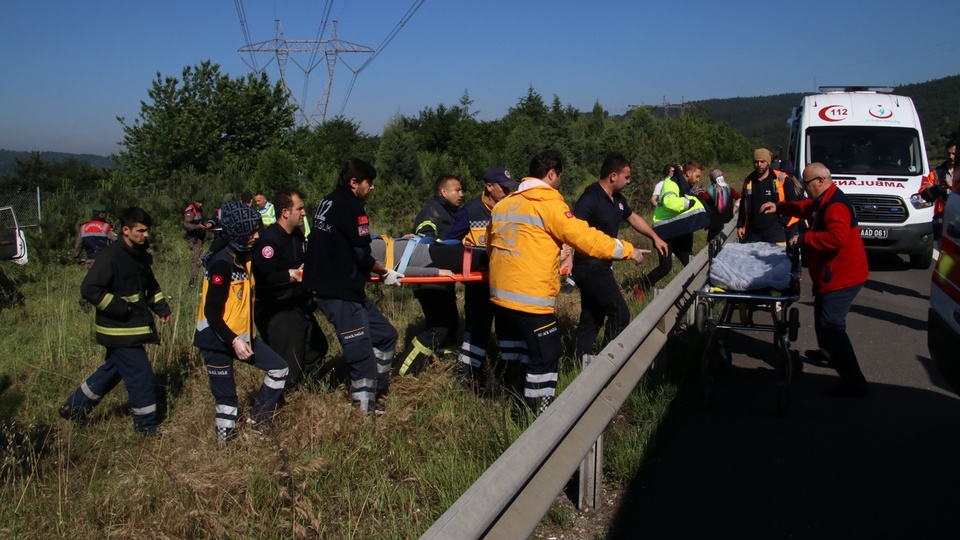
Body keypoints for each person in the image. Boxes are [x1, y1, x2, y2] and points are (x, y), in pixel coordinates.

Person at [487, 149, 645, 414]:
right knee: (546, 356)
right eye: (559, 176)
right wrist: (628, 250)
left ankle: (511, 404)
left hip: (500, 299)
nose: (560, 181)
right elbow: (585, 238)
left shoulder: (503, 204)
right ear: (551, 174)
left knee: (515, 355)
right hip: (531, 300)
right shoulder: (548, 204)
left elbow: (493, 247)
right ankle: (537, 418)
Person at [760, 163, 869, 397]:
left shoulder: (835, 205)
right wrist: (780, 207)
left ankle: (854, 383)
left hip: (843, 276)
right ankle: (828, 352)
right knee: (822, 315)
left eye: (807, 184)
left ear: (820, 181)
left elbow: (836, 238)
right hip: (831, 275)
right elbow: (805, 207)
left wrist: (803, 239)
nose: (804, 189)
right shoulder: (824, 200)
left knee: (832, 325)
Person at [58, 207, 171, 434]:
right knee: (141, 376)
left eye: (147, 230)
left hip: (131, 326)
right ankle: (146, 427)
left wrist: (160, 306)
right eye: (141, 231)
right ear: (126, 230)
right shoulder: (111, 256)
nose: (145, 235)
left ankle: (74, 407)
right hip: (119, 330)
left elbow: (148, 284)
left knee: (113, 370)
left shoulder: (137, 254)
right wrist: (121, 307)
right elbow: (89, 289)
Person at [302, 158, 400, 414]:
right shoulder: (354, 209)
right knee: (361, 354)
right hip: (339, 290)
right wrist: (385, 271)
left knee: (386, 335)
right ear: (354, 182)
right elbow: (362, 256)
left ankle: (376, 390)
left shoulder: (328, 200)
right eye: (369, 183)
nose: (373, 188)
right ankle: (363, 409)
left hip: (341, 288)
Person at [194, 201, 288, 442]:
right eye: (252, 231)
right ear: (238, 230)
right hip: (216, 339)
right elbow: (212, 313)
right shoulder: (222, 264)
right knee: (226, 401)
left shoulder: (243, 256)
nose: (256, 236)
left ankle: (258, 420)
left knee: (279, 368)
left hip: (241, 335)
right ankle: (224, 449)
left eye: (258, 230)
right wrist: (234, 341)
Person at [569, 152, 667, 359]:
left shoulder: (618, 200)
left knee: (592, 316)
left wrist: (655, 237)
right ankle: (607, 363)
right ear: (613, 176)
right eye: (627, 176)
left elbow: (633, 218)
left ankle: (579, 362)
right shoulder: (591, 198)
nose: (629, 181)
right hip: (588, 265)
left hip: (602, 265)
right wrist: (567, 258)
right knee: (620, 314)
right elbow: (572, 229)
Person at [445, 166, 518, 384]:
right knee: (477, 328)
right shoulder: (470, 211)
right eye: (503, 188)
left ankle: (509, 376)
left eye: (509, 187)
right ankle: (466, 375)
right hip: (478, 284)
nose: (507, 191)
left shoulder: (512, 208)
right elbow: (452, 243)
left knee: (509, 329)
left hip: (506, 282)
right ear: (489, 187)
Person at [251, 188, 329, 390]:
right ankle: (271, 407)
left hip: (299, 304)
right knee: (288, 367)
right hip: (277, 309)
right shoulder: (270, 241)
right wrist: (291, 275)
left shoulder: (296, 236)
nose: (304, 213)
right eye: (300, 209)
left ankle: (297, 388)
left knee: (318, 348)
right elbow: (260, 277)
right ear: (286, 212)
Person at [396, 175, 464, 376]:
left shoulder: (450, 213)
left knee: (450, 324)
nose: (461, 194)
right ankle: (405, 371)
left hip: (443, 280)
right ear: (443, 192)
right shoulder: (431, 213)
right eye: (457, 190)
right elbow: (425, 244)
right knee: (439, 328)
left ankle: (446, 365)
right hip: (430, 278)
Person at [641, 161, 710, 289]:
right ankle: (641, 286)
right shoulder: (671, 183)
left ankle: (701, 290)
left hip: (680, 230)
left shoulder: (686, 186)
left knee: (691, 263)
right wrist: (689, 202)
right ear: (688, 173)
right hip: (665, 231)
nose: (698, 180)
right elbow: (670, 202)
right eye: (697, 176)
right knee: (665, 268)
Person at [737, 149, 799, 245]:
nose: (759, 164)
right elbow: (743, 205)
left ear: (768, 162)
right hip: (754, 232)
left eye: (762, 161)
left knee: (777, 258)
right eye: (756, 162)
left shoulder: (781, 178)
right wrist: (740, 225)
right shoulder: (749, 181)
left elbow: (793, 202)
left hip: (775, 230)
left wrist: (783, 224)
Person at [919, 140, 956, 245]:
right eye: (948, 153)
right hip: (942, 219)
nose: (951, 156)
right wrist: (937, 189)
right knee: (944, 254)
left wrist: (953, 186)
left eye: (954, 154)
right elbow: (924, 194)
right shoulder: (936, 172)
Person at [697, 169, 741, 242]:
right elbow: (739, 198)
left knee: (712, 246)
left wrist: (698, 192)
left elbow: (704, 197)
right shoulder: (729, 188)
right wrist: (734, 210)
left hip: (715, 224)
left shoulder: (712, 189)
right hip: (728, 221)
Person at [72, 202, 117, 268]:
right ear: (101, 215)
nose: (106, 216)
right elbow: (117, 241)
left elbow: (78, 245)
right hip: (105, 262)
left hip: (90, 263)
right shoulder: (106, 227)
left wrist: (77, 258)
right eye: (105, 214)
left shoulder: (83, 228)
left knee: (93, 278)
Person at [184, 193, 210, 288]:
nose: (201, 204)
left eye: (202, 202)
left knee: (200, 260)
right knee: (196, 260)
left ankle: (195, 280)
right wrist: (197, 227)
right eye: (199, 202)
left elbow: (200, 221)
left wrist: (205, 225)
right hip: (194, 239)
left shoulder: (199, 210)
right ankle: (192, 282)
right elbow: (186, 225)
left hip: (199, 238)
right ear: (194, 201)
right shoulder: (190, 211)